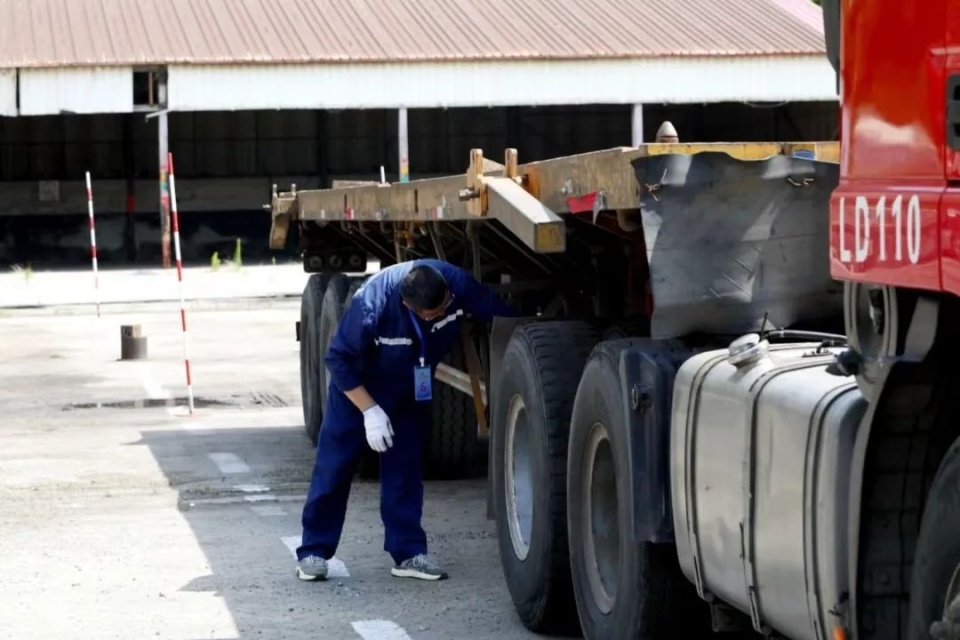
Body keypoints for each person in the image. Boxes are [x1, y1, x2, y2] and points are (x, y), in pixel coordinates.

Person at [295, 258, 515, 582]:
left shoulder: (456, 286)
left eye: (443, 310)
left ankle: (408, 553)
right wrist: (370, 411)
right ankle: (313, 551)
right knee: (335, 466)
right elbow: (338, 360)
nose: (438, 316)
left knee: (406, 468)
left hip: (412, 386)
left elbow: (500, 313)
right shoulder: (372, 304)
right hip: (359, 388)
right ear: (406, 304)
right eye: (429, 315)